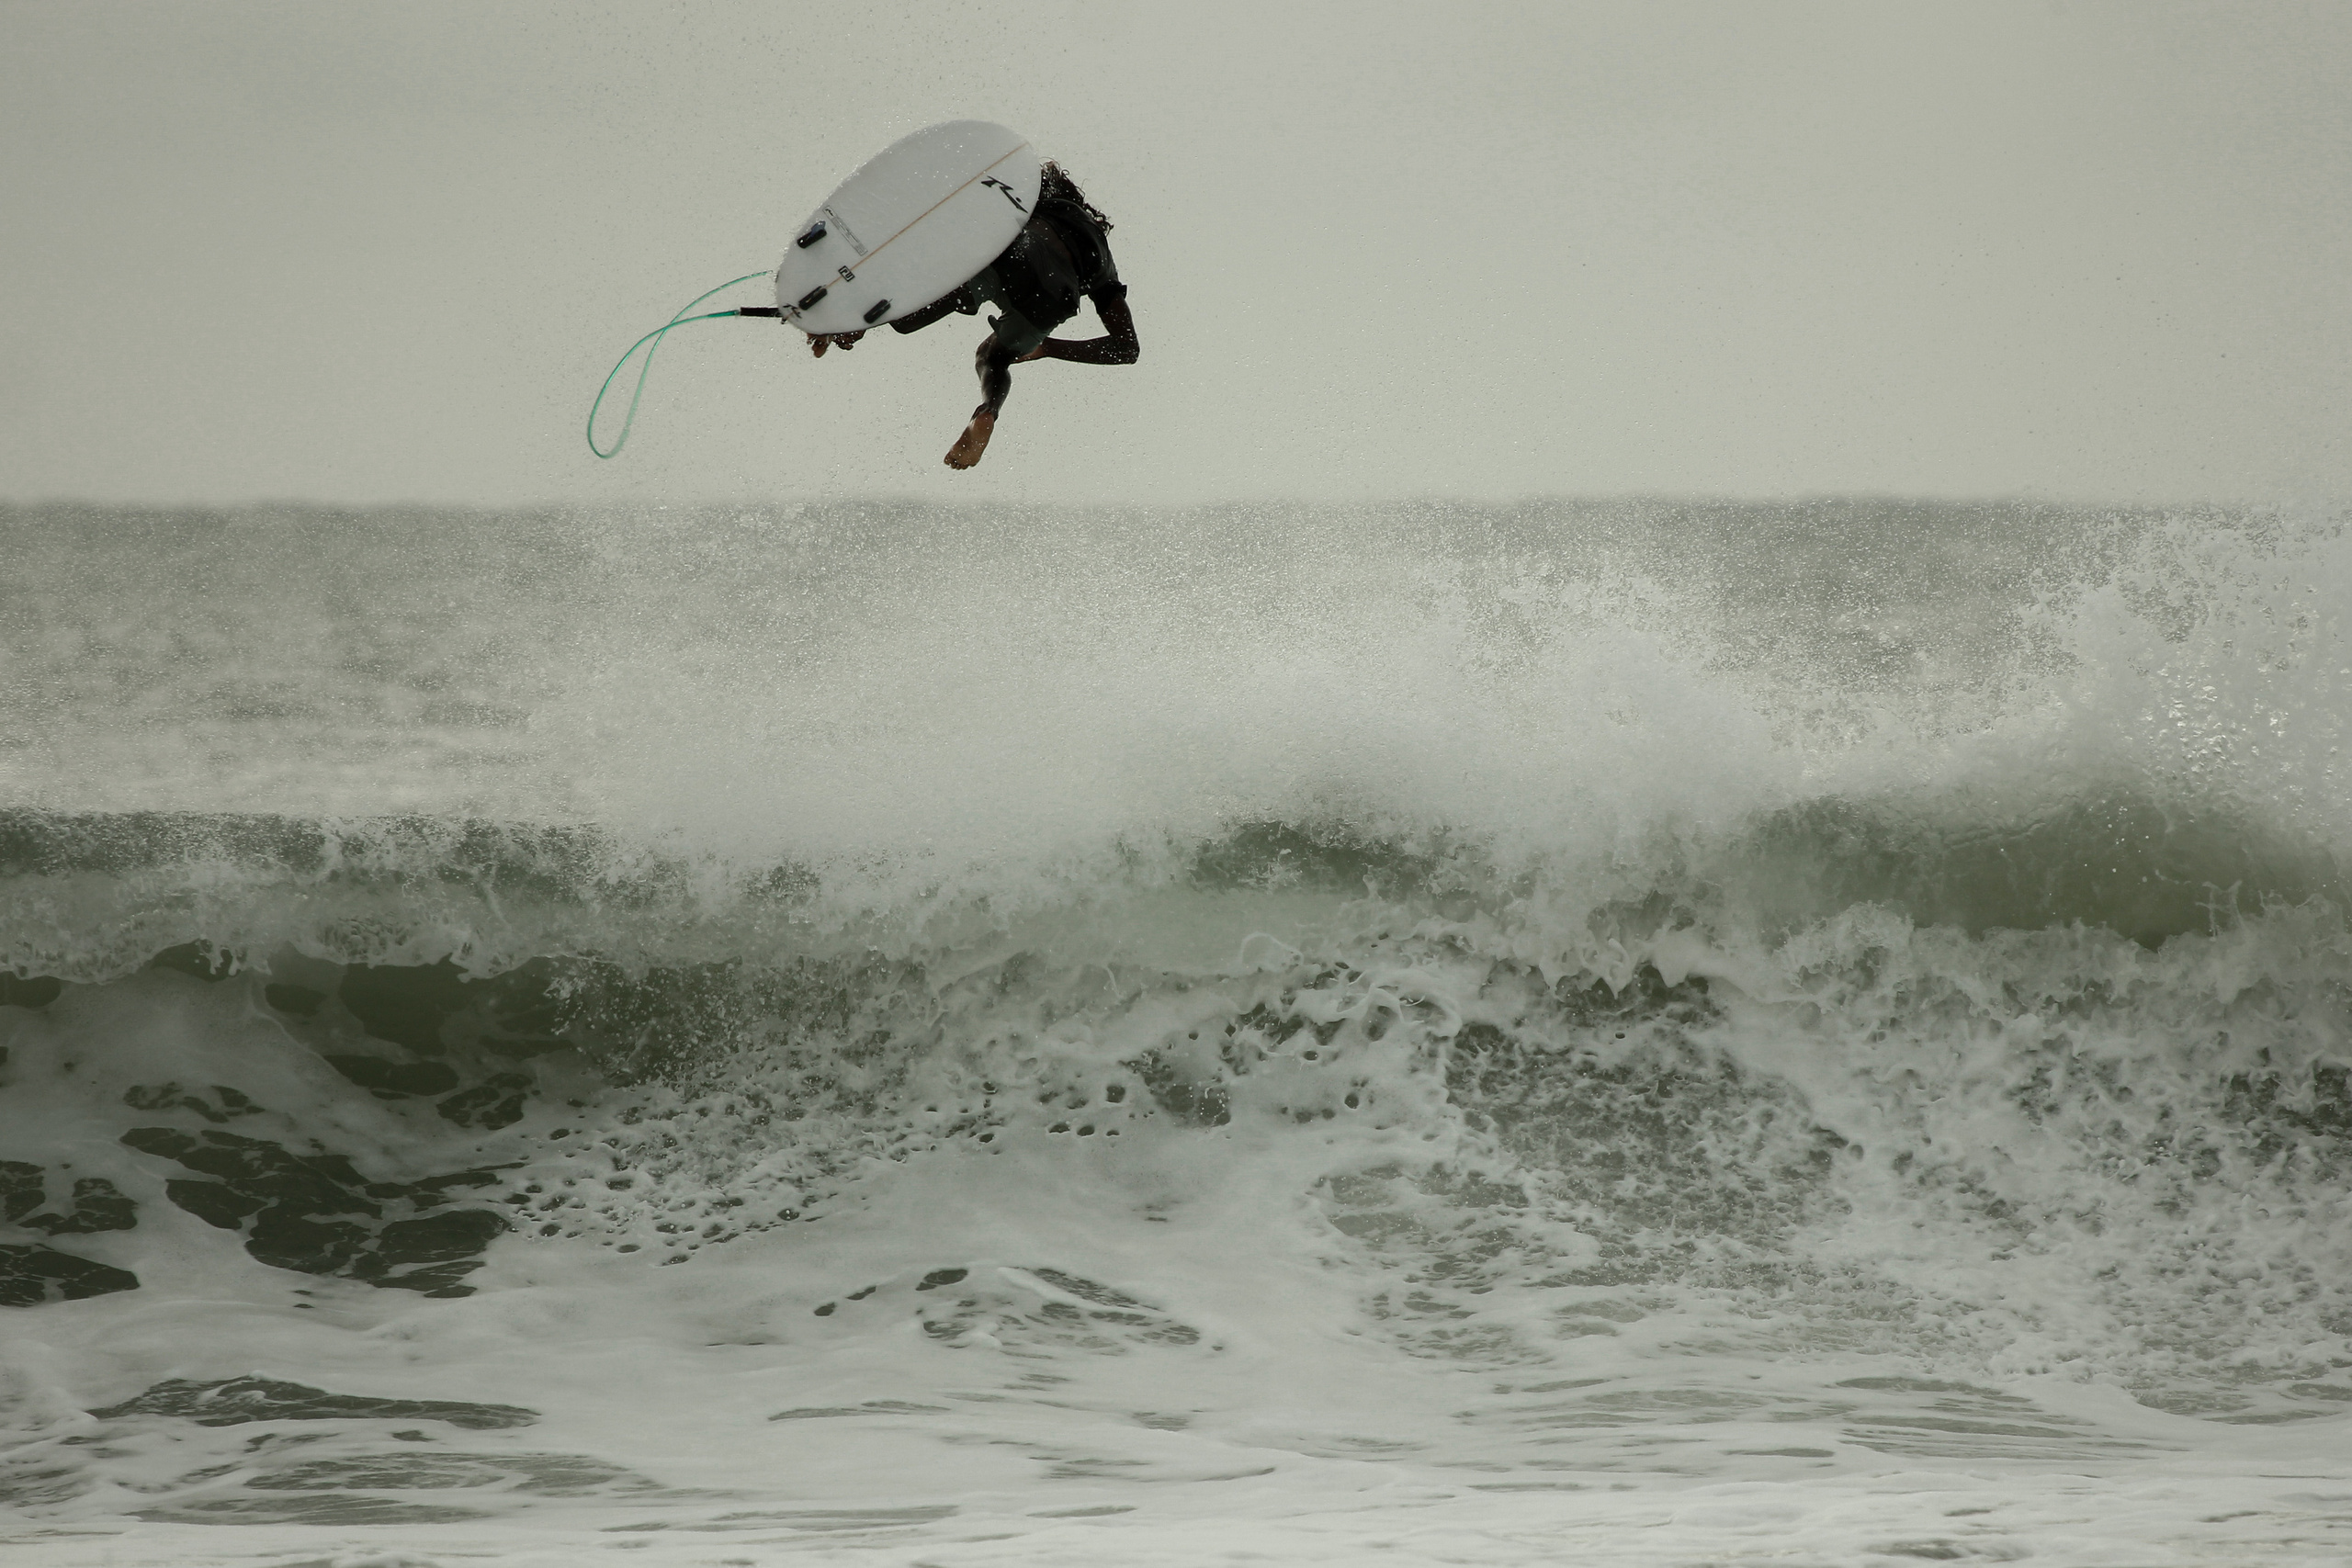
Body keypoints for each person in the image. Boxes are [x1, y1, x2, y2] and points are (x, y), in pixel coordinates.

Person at [806, 163, 1138, 468]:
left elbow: (938, 231)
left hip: (1015, 255)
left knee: (908, 318)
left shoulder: (1036, 202)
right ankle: (987, 411)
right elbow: (1126, 349)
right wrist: (1049, 348)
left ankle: (846, 324)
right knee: (992, 357)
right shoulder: (1104, 263)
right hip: (1053, 301)